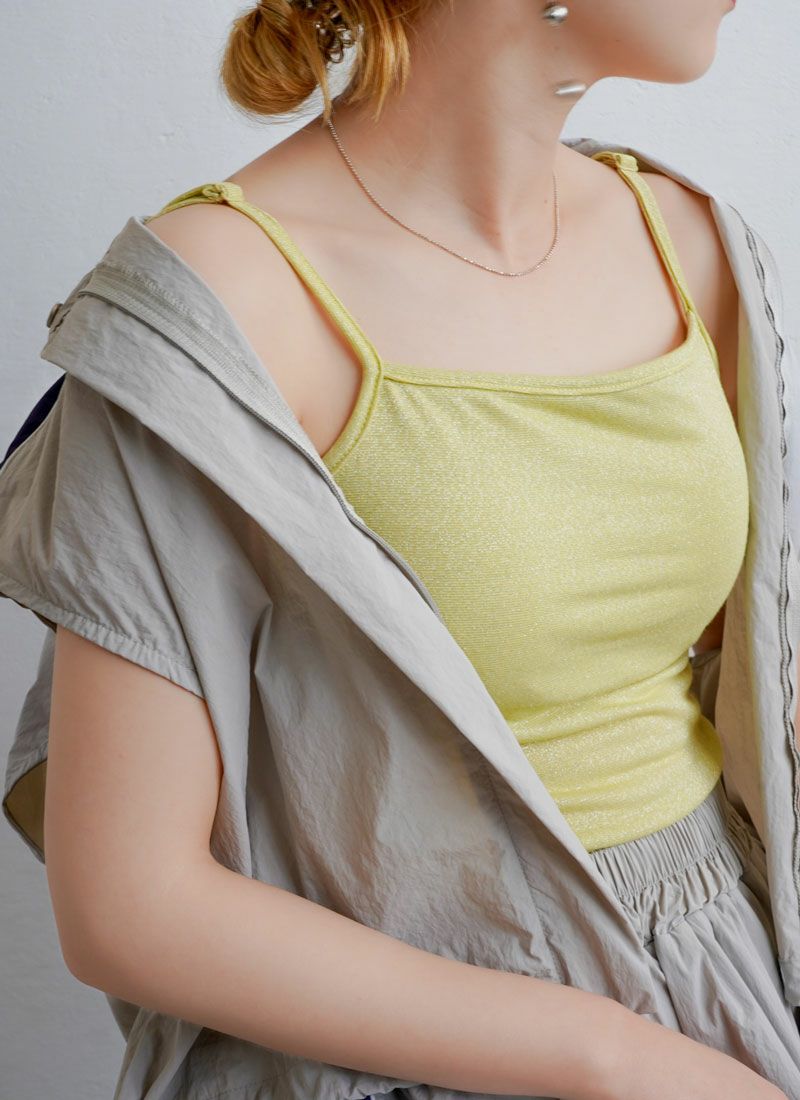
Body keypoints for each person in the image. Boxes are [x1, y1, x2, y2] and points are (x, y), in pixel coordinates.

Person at [4, 1, 799, 1098]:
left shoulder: (688, 242)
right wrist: (612, 1058)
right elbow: (129, 907)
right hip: (401, 1040)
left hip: (729, 986)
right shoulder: (220, 307)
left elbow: (744, 681)